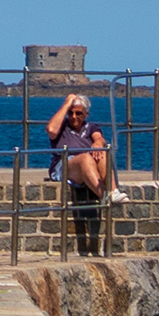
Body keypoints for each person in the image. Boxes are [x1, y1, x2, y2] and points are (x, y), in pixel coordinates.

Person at [48, 92, 113, 251]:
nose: (74, 116)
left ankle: (113, 191)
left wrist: (98, 142)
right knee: (84, 158)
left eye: (78, 113)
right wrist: (67, 102)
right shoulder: (61, 126)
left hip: (87, 166)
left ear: (86, 115)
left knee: (101, 152)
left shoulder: (91, 127)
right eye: (71, 112)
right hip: (64, 166)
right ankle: (103, 194)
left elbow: (99, 137)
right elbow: (51, 130)